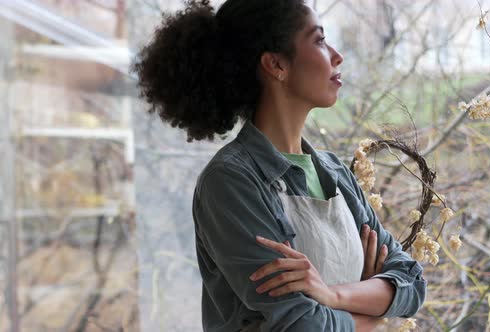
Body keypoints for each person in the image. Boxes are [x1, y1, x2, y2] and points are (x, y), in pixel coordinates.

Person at [131, 0, 426, 330]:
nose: (336, 55)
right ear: (276, 64)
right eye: (318, 40)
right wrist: (373, 313)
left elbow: (412, 284)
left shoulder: (336, 173)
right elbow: (300, 324)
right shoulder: (232, 181)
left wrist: (333, 296)